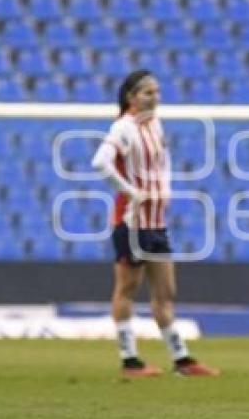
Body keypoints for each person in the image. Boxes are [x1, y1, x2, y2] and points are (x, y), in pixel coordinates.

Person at [91, 70, 220, 378]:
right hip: (131, 222)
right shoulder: (123, 127)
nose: (155, 98)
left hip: (156, 223)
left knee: (166, 292)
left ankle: (181, 360)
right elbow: (100, 162)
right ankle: (130, 360)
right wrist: (132, 192)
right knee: (127, 289)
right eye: (148, 93)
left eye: (157, 92)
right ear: (131, 97)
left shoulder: (155, 125)